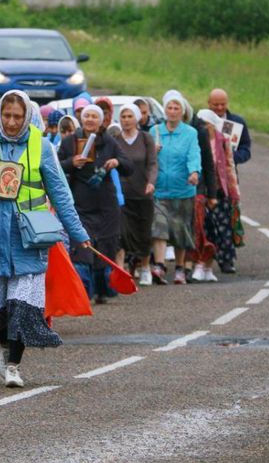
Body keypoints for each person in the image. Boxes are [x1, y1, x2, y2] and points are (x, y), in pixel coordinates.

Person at [0, 91, 90, 388]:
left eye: (18, 116)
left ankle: (14, 364)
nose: (12, 122)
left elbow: (61, 195)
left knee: (23, 307)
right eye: (7, 115)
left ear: (27, 115)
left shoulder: (40, 146)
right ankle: (5, 345)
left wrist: (79, 234)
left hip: (30, 238)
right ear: (0, 113)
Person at [58, 105, 133, 304]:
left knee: (106, 247)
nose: (90, 119)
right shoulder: (69, 142)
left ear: (101, 121)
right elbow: (55, 167)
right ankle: (83, 292)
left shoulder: (109, 141)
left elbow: (128, 166)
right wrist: (71, 163)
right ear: (82, 119)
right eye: (87, 116)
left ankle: (103, 290)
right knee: (83, 249)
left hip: (106, 204)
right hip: (80, 203)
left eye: (94, 116)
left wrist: (116, 162)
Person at [150, 90, 202, 285]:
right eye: (169, 108)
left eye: (176, 108)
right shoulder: (154, 132)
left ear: (182, 112)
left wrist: (194, 172)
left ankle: (180, 268)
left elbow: (193, 154)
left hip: (183, 189)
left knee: (181, 230)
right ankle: (160, 266)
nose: (172, 112)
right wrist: (152, 151)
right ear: (165, 111)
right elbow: (147, 160)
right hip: (160, 189)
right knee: (159, 227)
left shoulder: (190, 133)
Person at [191, 109, 240, 281]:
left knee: (223, 228)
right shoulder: (196, 139)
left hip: (220, 190)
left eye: (206, 124)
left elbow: (229, 165)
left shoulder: (223, 140)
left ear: (212, 125)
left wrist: (234, 191)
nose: (203, 127)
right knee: (203, 227)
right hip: (201, 190)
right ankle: (200, 264)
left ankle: (226, 261)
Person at [112, 104, 158, 286]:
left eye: (130, 116)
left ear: (137, 118)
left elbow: (153, 164)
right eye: (123, 116)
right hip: (122, 195)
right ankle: (121, 271)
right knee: (121, 235)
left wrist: (151, 183)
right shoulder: (115, 140)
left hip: (142, 194)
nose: (126, 120)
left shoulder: (146, 139)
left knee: (143, 233)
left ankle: (145, 267)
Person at [208, 88, 251, 167]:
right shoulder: (200, 121)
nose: (220, 107)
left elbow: (246, 150)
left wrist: (232, 157)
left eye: (223, 104)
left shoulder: (238, 122)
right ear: (209, 103)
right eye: (216, 104)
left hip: (229, 172)